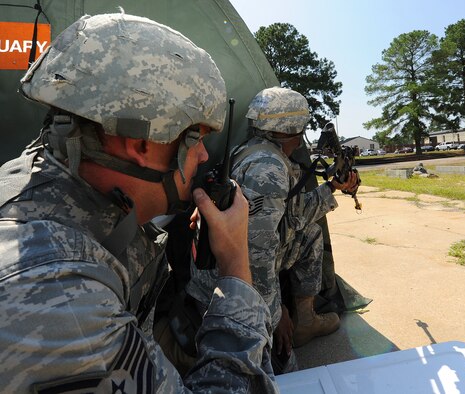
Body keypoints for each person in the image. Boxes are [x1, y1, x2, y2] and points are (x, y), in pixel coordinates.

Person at [0, 12, 278, 393]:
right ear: (142, 144)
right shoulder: (59, 299)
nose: (201, 157)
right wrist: (235, 268)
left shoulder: (41, 177)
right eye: (195, 138)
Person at [187, 87, 359, 369]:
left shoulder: (255, 151)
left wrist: (332, 188)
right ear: (289, 129)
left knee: (310, 234)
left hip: (228, 271)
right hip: (224, 288)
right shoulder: (268, 168)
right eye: (300, 128)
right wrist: (276, 315)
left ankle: (305, 320)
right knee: (282, 369)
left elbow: (291, 215)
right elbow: (255, 254)